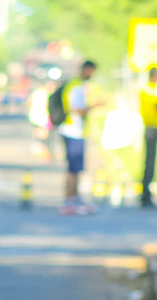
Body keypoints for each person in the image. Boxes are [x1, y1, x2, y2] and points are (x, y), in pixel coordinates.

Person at [58, 60, 102, 215]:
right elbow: (77, 109)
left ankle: (75, 199)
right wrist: (95, 106)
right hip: (72, 130)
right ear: (86, 70)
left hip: (77, 131)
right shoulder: (75, 86)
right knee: (73, 168)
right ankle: (69, 201)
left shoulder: (79, 85)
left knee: (77, 168)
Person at [139, 66, 157, 209]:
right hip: (151, 128)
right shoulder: (150, 89)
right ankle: (145, 196)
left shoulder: (150, 89)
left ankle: (146, 195)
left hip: (153, 128)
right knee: (150, 163)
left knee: (151, 162)